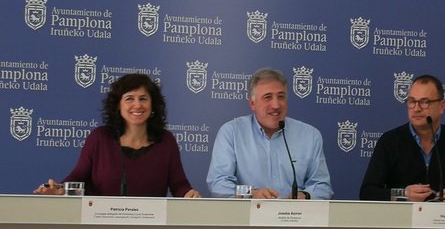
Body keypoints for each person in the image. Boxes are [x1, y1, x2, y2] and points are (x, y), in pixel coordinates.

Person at [34, 73, 201, 198]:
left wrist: (189, 195)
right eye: (129, 98)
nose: (137, 105)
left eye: (143, 98)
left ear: (153, 105)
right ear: (118, 106)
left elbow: (180, 186)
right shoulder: (99, 138)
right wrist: (57, 189)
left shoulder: (166, 141)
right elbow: (77, 179)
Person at [206, 67, 333, 199]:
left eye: (281, 97)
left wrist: (305, 195)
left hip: (296, 216)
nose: (276, 105)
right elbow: (218, 184)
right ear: (252, 103)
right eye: (267, 97)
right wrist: (251, 193)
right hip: (246, 216)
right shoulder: (231, 133)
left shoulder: (310, 136)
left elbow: (323, 186)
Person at [359, 74, 445, 203]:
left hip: (444, 220)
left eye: (424, 102)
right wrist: (403, 194)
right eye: (412, 101)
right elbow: (367, 192)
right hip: (401, 220)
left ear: (441, 106)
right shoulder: (389, 141)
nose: (416, 109)